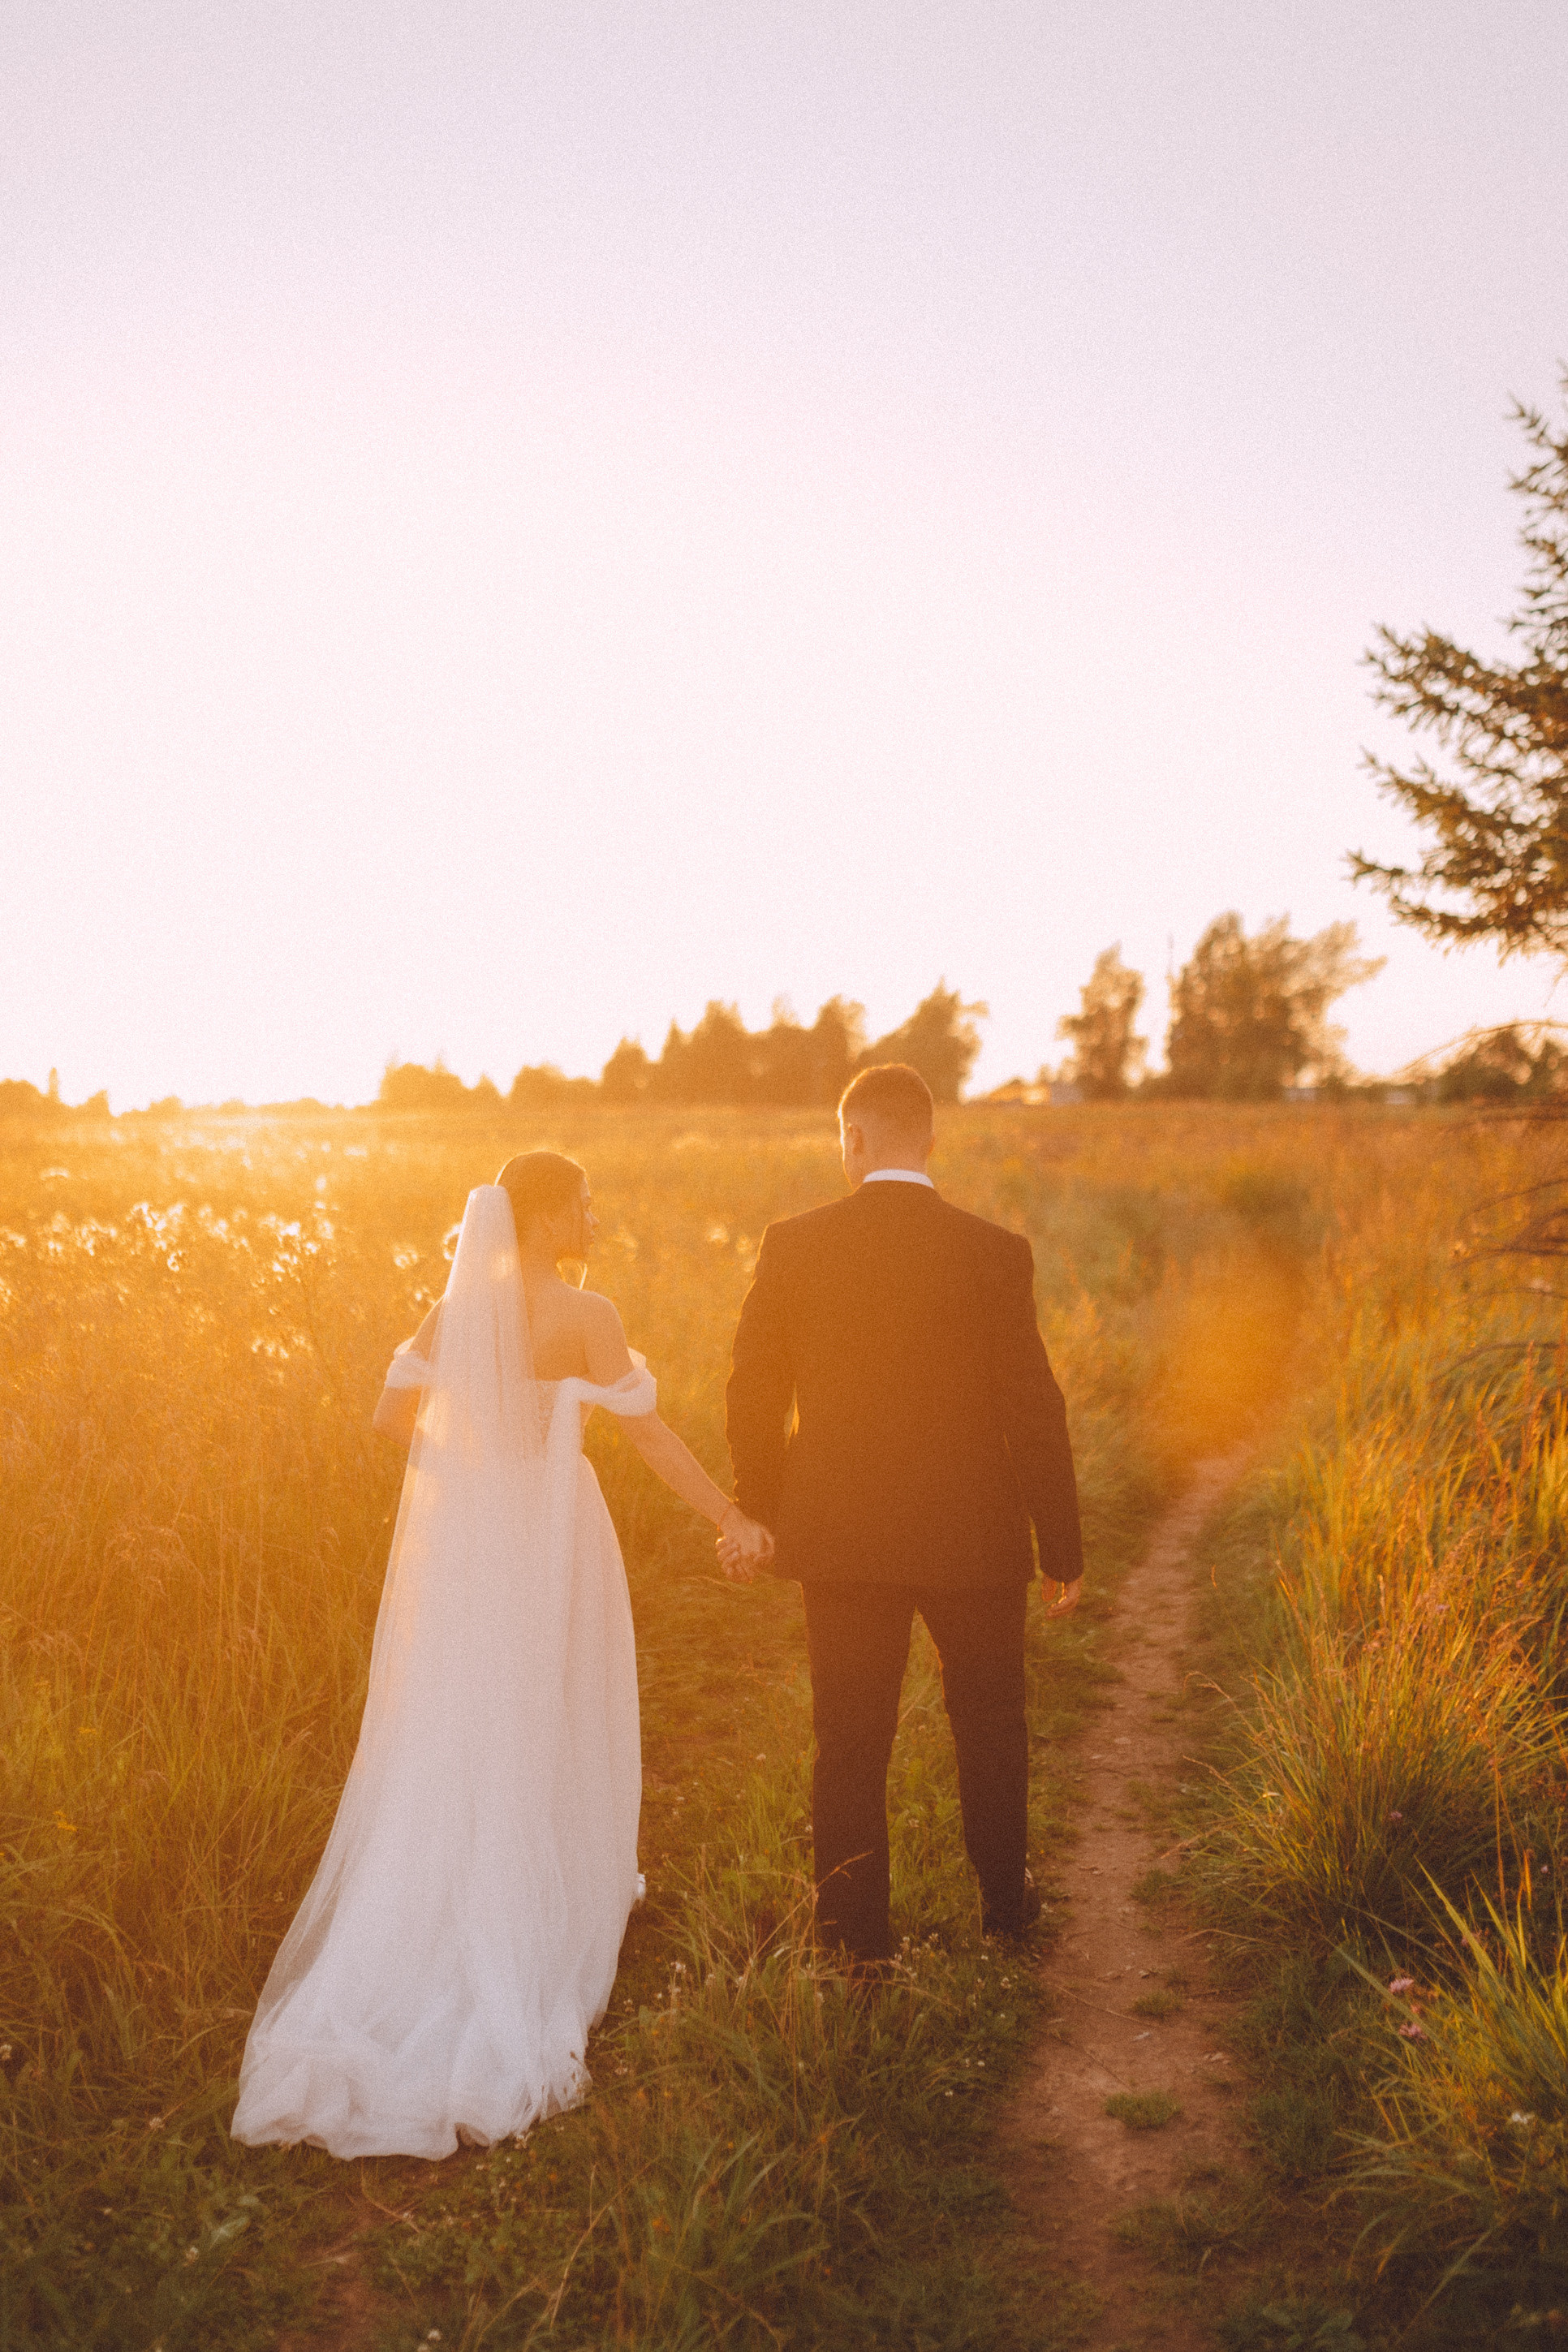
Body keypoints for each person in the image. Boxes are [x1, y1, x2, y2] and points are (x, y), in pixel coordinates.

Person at [231, 1152, 771, 2160]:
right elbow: (649, 1438)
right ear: (546, 1213)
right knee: (554, 1707)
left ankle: (451, 1909)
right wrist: (731, 1513)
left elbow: (392, 1415)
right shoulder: (586, 1314)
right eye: (583, 1201)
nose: (596, 1215)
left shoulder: (456, 1311)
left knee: (463, 1716)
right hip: (555, 1534)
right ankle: (549, 1895)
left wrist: (469, 1473)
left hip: (474, 1537)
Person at [723, 1063, 1083, 1968]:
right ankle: (1007, 1907)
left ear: (853, 1139)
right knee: (992, 1726)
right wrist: (1062, 1546)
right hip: (975, 1536)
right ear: (929, 1139)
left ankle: (855, 1951)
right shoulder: (994, 1251)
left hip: (840, 1537)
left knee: (848, 1740)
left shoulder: (794, 1244)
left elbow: (751, 1394)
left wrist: (759, 1511)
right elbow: (1034, 1407)